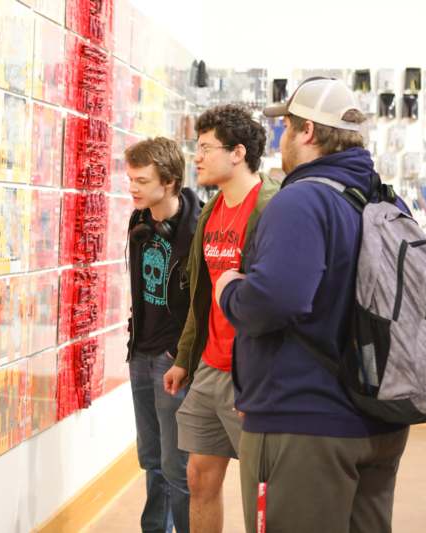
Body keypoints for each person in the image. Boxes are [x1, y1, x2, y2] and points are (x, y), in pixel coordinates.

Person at [215, 77, 410, 533]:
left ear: (306, 132)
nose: (280, 139)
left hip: (302, 423)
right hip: (378, 420)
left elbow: (274, 300)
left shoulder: (301, 200)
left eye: (285, 126)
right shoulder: (384, 200)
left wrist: (229, 289)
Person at [163, 105, 279, 533]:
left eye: (206, 147)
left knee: (260, 489)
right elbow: (201, 297)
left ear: (238, 153)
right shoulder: (210, 212)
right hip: (210, 368)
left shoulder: (271, 207)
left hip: (250, 374)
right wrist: (186, 358)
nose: (196, 156)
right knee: (199, 477)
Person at [126, 137, 202, 533]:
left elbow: (200, 305)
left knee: (177, 466)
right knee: (151, 459)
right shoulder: (137, 220)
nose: (133, 187)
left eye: (141, 180)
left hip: (174, 360)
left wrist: (182, 355)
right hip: (140, 354)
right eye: (131, 179)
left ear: (170, 182)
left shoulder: (197, 229)